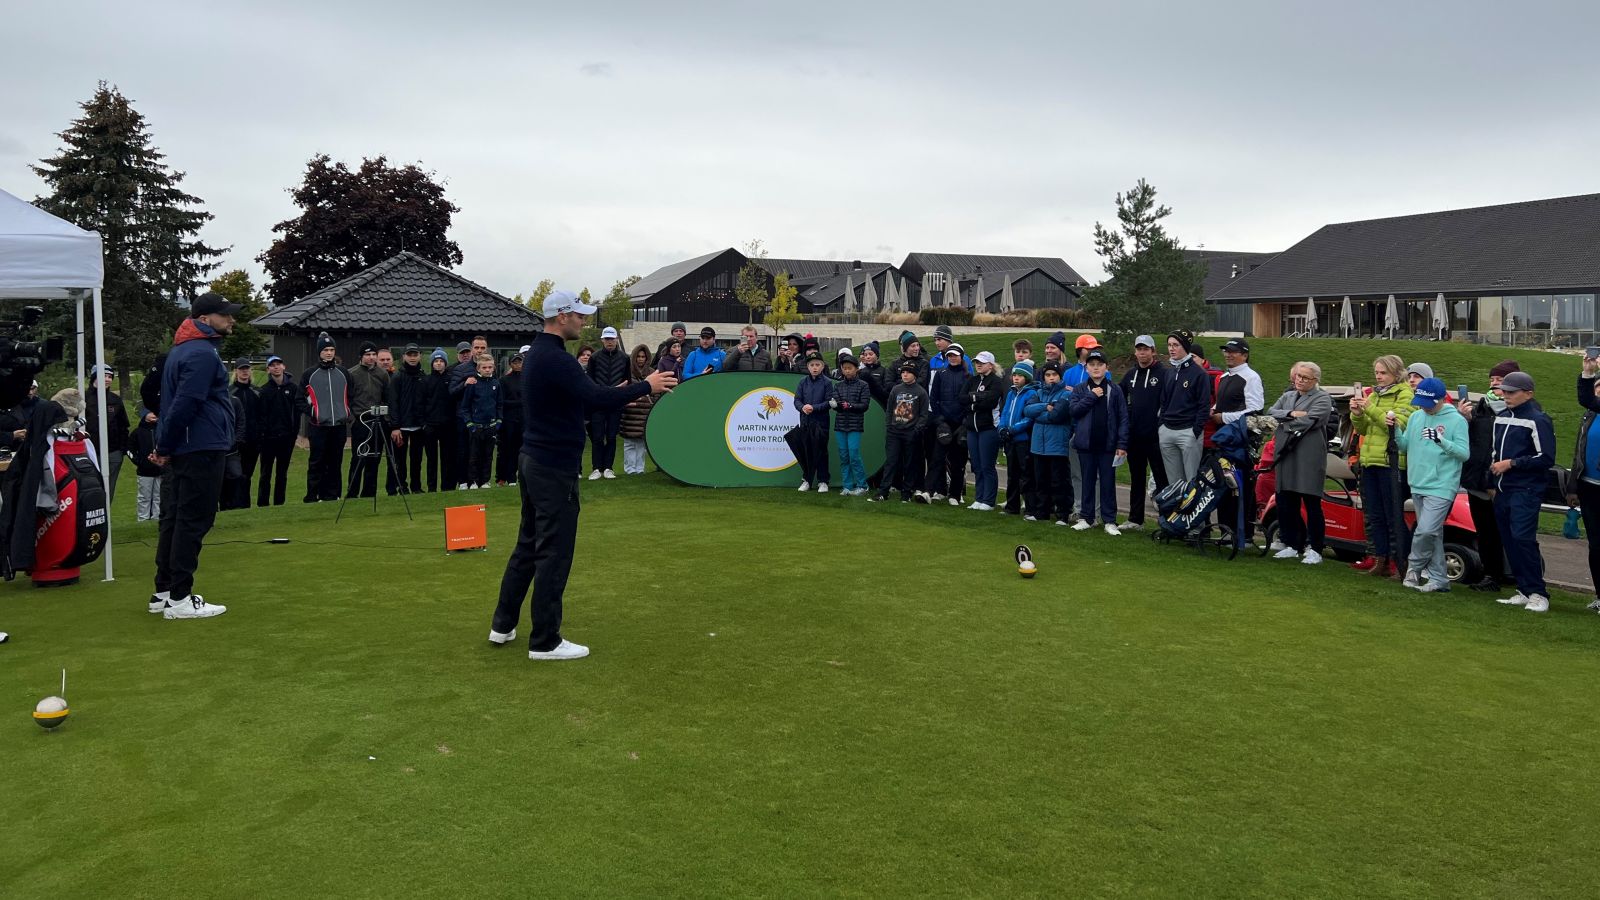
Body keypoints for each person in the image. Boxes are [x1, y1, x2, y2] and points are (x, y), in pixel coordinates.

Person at [490, 289, 676, 660]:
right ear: (562, 317)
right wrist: (646, 386)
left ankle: (503, 625)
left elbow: (585, 394)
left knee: (528, 545)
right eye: (579, 315)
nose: (584, 321)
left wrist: (616, 389)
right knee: (553, 553)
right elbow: (595, 401)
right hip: (552, 466)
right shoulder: (555, 358)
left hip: (535, 460)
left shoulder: (543, 353)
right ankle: (545, 641)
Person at [149, 292, 238, 620]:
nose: (231, 320)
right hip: (200, 447)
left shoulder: (184, 349)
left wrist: (165, 445)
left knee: (174, 518)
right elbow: (185, 403)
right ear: (205, 319)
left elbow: (173, 404)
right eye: (225, 315)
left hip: (188, 446)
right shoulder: (201, 352)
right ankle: (181, 598)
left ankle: (163, 592)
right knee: (193, 520)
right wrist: (164, 445)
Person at [1392, 378, 1468, 592]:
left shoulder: (1457, 420)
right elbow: (1405, 446)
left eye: (1428, 403)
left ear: (1441, 400)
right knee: (1433, 533)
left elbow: (1464, 454)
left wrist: (1441, 440)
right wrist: (1396, 430)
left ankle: (1413, 569)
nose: (1424, 407)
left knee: (1425, 531)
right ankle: (1439, 580)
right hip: (1417, 482)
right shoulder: (1417, 417)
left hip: (1442, 484)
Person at [1489, 371, 1555, 612]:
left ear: (1528, 394)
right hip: (1503, 489)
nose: (1506, 396)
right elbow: (1495, 453)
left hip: (1526, 489)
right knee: (1509, 540)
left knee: (1522, 539)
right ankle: (1525, 589)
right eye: (1504, 391)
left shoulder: (1538, 420)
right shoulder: (1502, 417)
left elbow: (1545, 458)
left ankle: (1538, 593)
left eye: (1511, 392)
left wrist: (1512, 463)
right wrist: (1492, 480)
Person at [1347, 354, 1415, 577]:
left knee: (1393, 515)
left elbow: (1396, 427)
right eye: (1376, 372)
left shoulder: (1406, 394)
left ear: (1396, 373)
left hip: (1392, 463)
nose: (1378, 377)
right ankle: (1381, 559)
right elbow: (1365, 429)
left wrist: (1370, 408)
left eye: (1383, 372)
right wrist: (1357, 414)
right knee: (1375, 515)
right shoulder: (1375, 395)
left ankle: (1400, 562)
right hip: (1370, 460)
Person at [1459, 360, 1517, 591]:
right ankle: (1491, 574)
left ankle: (1514, 574)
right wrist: (1464, 419)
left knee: (1511, 532)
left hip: (1504, 484)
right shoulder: (1480, 408)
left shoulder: (1520, 411)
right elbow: (1472, 444)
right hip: (1477, 482)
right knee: (1485, 532)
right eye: (1492, 380)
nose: (1494, 385)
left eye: (1500, 381)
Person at [1268, 362, 1333, 565]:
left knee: (1311, 502)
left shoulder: (1322, 397)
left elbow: (1313, 420)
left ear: (1315, 380)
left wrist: (1284, 423)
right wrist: (1290, 414)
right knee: (1286, 501)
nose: (1300, 380)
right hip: (1286, 454)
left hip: (1309, 455)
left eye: (1305, 378)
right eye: (1298, 376)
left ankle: (1315, 548)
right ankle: (1291, 544)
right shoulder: (1288, 396)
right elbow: (1271, 412)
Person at [1070, 347, 1128, 534]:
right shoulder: (1080, 389)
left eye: (1099, 365)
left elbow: (1123, 418)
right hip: (1086, 444)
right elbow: (1074, 411)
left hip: (1107, 445)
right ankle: (1087, 518)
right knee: (1087, 481)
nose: (1096, 368)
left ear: (1106, 367)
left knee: (1107, 482)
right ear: (1086, 368)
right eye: (1092, 365)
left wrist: (1121, 444)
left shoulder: (1115, 390)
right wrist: (1092, 396)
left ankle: (1109, 520)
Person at [1119, 335, 1166, 530]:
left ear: (1153, 351)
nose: (1142, 352)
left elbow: (1167, 402)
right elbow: (1119, 397)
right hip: (1135, 437)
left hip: (1156, 437)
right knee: (1136, 478)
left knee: (1162, 479)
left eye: (1146, 349)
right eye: (1139, 349)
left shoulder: (1163, 374)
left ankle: (1166, 520)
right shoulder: (1130, 374)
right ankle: (1135, 519)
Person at [1158, 330, 1212, 486]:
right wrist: (1161, 426)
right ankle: (1178, 511)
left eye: (1176, 345)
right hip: (1167, 430)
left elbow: (1204, 406)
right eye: (1169, 345)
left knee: (1192, 483)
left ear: (1185, 347)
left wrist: (1195, 430)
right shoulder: (1169, 372)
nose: (1171, 349)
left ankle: (1193, 511)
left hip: (1188, 431)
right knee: (1175, 484)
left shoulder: (1199, 374)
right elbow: (1164, 401)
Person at [301, 332, 351, 503]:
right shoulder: (309, 374)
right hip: (318, 426)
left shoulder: (343, 373)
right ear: (319, 352)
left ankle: (333, 495)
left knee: (335, 462)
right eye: (325, 350)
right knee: (317, 462)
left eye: (331, 349)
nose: (329, 353)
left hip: (338, 426)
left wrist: (346, 412)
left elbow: (351, 395)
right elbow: (299, 399)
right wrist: (314, 412)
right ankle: (313, 496)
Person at [1568, 355, 1600, 613]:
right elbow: (1577, 452)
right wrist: (1588, 372)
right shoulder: (1590, 416)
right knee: (1596, 544)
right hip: (1589, 486)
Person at [870, 362, 928, 503]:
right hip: (894, 432)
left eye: (908, 372)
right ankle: (883, 492)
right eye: (903, 372)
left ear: (914, 374)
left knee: (909, 463)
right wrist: (889, 426)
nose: (905, 375)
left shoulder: (921, 392)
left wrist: (916, 429)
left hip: (911, 432)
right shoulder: (896, 389)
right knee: (891, 462)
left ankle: (906, 493)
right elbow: (889, 409)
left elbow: (924, 414)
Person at [1025, 361, 1074, 525]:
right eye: (1048, 375)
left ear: (1060, 376)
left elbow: (1058, 415)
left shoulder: (1066, 393)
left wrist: (1040, 414)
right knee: (1041, 481)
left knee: (1059, 481)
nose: (1051, 378)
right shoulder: (1038, 392)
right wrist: (1046, 406)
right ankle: (1042, 512)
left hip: (1057, 444)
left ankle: (1062, 514)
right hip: (1038, 445)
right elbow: (1028, 410)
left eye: (1054, 375)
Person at [923, 344, 969, 506]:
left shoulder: (967, 376)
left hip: (960, 424)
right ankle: (929, 491)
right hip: (943, 424)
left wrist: (964, 423)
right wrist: (940, 421)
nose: (952, 358)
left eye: (955, 355)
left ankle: (955, 495)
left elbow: (968, 403)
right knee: (936, 459)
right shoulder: (941, 374)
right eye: (950, 355)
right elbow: (933, 399)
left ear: (961, 357)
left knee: (958, 462)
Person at [252, 356, 301, 507]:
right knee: (265, 473)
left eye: (278, 364)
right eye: (272, 365)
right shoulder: (264, 390)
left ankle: (279, 503)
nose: (276, 367)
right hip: (268, 439)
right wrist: (262, 435)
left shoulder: (293, 389)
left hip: (286, 438)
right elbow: (261, 416)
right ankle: (263, 503)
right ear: (268, 370)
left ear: (284, 367)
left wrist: (294, 433)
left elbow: (297, 413)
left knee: (282, 473)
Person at [346, 342, 391, 498]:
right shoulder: (351, 373)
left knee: (375, 459)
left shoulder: (382, 374)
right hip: (360, 421)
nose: (371, 358)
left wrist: (384, 417)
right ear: (361, 356)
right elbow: (347, 399)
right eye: (367, 355)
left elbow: (387, 398)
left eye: (373, 354)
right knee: (358, 458)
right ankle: (352, 493)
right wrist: (352, 419)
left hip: (378, 421)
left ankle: (369, 494)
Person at [961, 351, 1004, 511]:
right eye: (977, 362)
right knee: (977, 465)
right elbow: (962, 398)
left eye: (982, 362)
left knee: (987, 465)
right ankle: (979, 498)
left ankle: (988, 500)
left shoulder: (996, 381)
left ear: (990, 365)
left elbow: (990, 402)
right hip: (972, 429)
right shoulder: (972, 380)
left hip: (988, 429)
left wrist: (973, 400)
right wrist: (977, 398)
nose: (978, 365)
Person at [586, 326, 628, 480]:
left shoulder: (624, 358)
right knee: (597, 437)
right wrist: (601, 390)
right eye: (607, 339)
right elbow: (589, 380)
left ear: (616, 339)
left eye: (612, 339)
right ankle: (596, 468)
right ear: (602, 340)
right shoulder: (595, 357)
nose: (609, 342)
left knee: (611, 436)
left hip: (615, 403)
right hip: (598, 402)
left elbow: (626, 380)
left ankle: (608, 468)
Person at [84, 364, 131, 502]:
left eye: (110, 376)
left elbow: (123, 426)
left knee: (108, 490)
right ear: (94, 377)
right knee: (90, 490)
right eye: (104, 376)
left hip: (113, 453)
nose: (107, 379)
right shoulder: (83, 399)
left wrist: (121, 450)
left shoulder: (115, 400)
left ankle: (105, 519)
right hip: (89, 453)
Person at [385, 343, 427, 494]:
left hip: (418, 427)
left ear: (419, 355)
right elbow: (393, 403)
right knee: (400, 461)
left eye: (415, 354)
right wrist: (395, 426)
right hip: (401, 427)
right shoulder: (397, 377)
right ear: (404, 356)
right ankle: (402, 487)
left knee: (417, 460)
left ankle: (416, 487)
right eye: (409, 354)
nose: (413, 357)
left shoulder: (423, 376)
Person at [997, 359, 1037, 516]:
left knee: (1026, 475)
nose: (1016, 378)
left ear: (1026, 377)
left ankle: (1030, 508)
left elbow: (1028, 418)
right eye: (1014, 375)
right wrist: (1002, 428)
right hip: (1010, 439)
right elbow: (1005, 413)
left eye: (1020, 375)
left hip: (1022, 440)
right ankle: (1011, 507)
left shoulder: (1031, 393)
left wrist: (1012, 429)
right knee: (1012, 474)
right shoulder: (1012, 393)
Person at [220, 358, 260, 509]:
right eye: (241, 369)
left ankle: (244, 505)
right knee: (232, 476)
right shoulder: (229, 393)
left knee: (246, 476)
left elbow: (262, 416)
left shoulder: (257, 392)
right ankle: (227, 504)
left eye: (247, 368)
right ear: (236, 371)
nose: (244, 371)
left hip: (253, 442)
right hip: (234, 443)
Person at [791, 351, 833, 492]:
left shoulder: (827, 383)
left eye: (817, 365)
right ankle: (807, 480)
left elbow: (829, 402)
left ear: (822, 366)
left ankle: (823, 481)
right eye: (812, 365)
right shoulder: (803, 382)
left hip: (821, 423)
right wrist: (803, 407)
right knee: (807, 452)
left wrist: (813, 408)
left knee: (821, 452)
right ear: (808, 367)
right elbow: (797, 400)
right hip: (806, 422)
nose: (814, 367)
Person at [459, 353, 501, 489]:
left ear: (493, 368)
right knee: (474, 456)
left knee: (488, 455)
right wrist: (470, 425)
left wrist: (499, 422)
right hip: (476, 426)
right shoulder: (473, 384)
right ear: (478, 368)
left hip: (491, 426)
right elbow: (464, 407)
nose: (488, 370)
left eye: (490, 367)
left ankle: (485, 481)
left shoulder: (496, 383)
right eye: (485, 367)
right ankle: (474, 481)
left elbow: (500, 404)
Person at [831, 351, 871, 495]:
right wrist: (838, 405)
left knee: (853, 455)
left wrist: (851, 406)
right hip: (840, 425)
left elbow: (865, 405)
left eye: (850, 368)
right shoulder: (838, 386)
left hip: (855, 426)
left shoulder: (863, 385)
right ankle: (847, 486)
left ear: (856, 369)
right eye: (844, 368)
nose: (847, 370)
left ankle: (862, 485)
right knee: (843, 456)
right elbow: (836, 403)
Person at [421, 348, 457, 492]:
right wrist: (424, 423)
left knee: (447, 458)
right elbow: (421, 403)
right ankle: (431, 487)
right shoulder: (426, 380)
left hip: (448, 425)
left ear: (445, 363)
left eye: (441, 361)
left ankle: (447, 487)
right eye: (436, 361)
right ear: (432, 363)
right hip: (430, 425)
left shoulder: (451, 379)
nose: (439, 364)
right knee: (431, 459)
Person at [619, 344, 655, 475]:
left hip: (645, 412)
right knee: (629, 443)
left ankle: (639, 469)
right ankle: (629, 469)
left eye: (643, 357)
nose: (641, 359)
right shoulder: (626, 372)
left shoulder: (651, 372)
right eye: (638, 357)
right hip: (630, 412)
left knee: (641, 444)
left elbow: (656, 392)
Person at [496, 348, 527, 486]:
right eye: (514, 362)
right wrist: (519, 403)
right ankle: (510, 477)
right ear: (510, 364)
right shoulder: (504, 380)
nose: (517, 364)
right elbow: (502, 401)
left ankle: (522, 476)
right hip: (509, 420)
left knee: (524, 449)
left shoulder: (528, 379)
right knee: (509, 449)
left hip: (525, 420)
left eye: (519, 362)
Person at [129, 410, 163, 521]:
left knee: (159, 496)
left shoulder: (162, 430)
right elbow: (130, 449)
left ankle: (156, 517)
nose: (154, 414)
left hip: (160, 469)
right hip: (144, 470)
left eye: (155, 412)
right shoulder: (137, 432)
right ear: (144, 415)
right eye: (150, 412)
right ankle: (143, 518)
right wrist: (139, 461)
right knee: (144, 497)